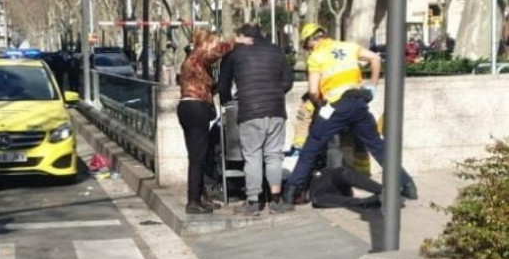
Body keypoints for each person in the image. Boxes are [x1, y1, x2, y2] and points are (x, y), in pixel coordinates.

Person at [279, 23, 418, 212]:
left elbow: (313, 91)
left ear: (312, 40)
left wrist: (320, 105)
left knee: (310, 150)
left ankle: (289, 195)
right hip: (359, 103)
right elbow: (375, 58)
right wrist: (373, 86)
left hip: (335, 107)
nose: (308, 48)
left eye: (307, 45)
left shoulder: (316, 57)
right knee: (377, 146)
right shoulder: (348, 46)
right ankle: (408, 185)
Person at [218, 23, 293, 216]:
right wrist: (274, 94)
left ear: (243, 36)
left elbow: (223, 84)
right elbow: (288, 81)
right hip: (276, 109)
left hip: (250, 111)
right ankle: (276, 200)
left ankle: (253, 202)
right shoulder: (277, 51)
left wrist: (226, 101)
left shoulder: (235, 54)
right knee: (274, 155)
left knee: (252, 156)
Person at [176, 29, 235, 214]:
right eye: (214, 43)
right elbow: (214, 54)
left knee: (197, 155)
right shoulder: (197, 57)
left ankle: (201, 197)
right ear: (205, 43)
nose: (216, 47)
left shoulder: (196, 62)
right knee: (197, 157)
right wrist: (235, 42)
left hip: (190, 108)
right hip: (195, 108)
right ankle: (193, 201)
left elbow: (208, 87)